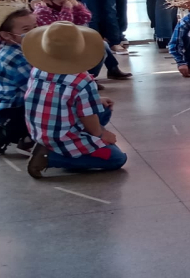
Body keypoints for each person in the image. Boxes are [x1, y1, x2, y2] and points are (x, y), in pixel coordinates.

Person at [23, 22, 127, 178]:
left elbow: (57, 97)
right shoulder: (82, 80)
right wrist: (101, 135)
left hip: (40, 131)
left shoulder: (37, 69)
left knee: (103, 108)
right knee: (116, 158)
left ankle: (51, 148)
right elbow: (88, 117)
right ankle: (50, 157)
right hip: (63, 137)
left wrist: (95, 99)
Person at [0, 4, 38, 156]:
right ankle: (13, 136)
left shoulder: (25, 49)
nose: (35, 32)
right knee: (53, 107)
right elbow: (35, 89)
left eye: (35, 26)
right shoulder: (16, 57)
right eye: (26, 29)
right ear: (7, 35)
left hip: (16, 105)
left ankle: (21, 135)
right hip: (12, 110)